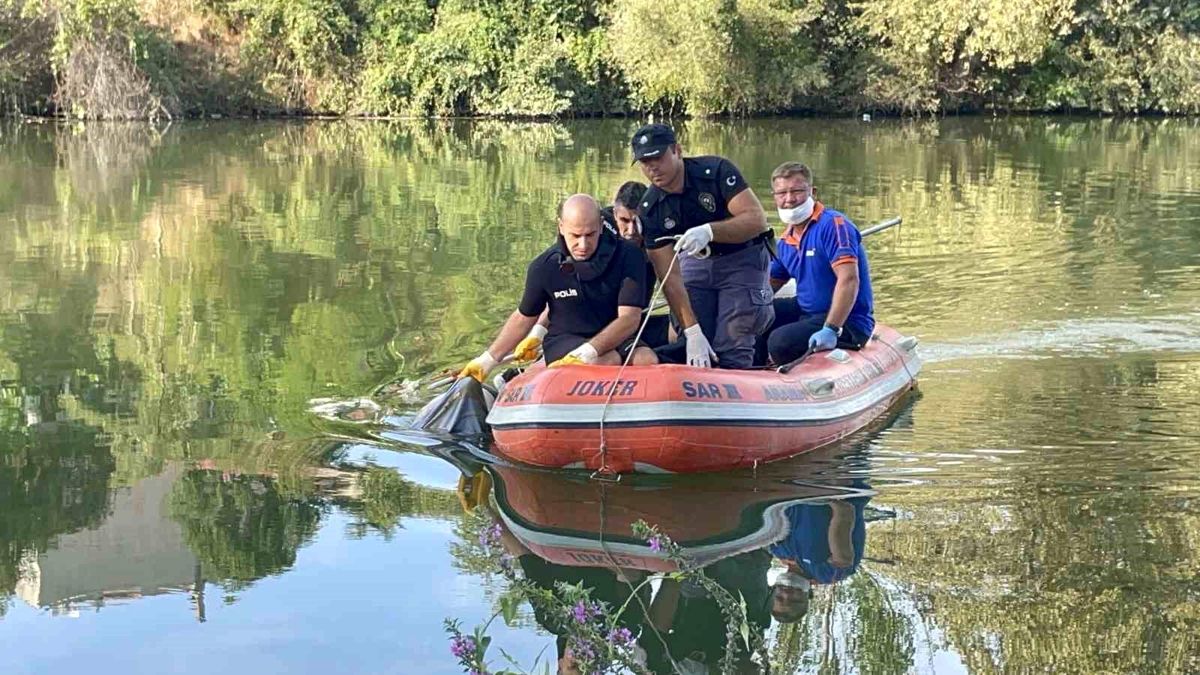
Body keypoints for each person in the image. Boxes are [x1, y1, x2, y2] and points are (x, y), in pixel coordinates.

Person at [457, 194, 657, 383]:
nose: (583, 244)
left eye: (590, 234)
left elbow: (629, 319)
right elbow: (523, 317)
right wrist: (487, 360)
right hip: (565, 338)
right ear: (561, 227)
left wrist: (586, 352)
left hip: (613, 335)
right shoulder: (544, 266)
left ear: (600, 227)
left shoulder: (629, 256)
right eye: (575, 235)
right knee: (609, 361)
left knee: (646, 360)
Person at [632, 123, 774, 370]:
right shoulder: (650, 209)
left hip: (742, 257)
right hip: (695, 262)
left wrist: (711, 231)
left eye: (657, 157)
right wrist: (692, 330)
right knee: (691, 338)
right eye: (644, 162)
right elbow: (669, 275)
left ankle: (740, 382)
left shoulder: (716, 171)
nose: (652, 167)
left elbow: (756, 220)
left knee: (733, 339)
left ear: (677, 150)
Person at [759, 161, 875, 367]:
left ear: (812, 191)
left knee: (780, 342)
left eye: (796, 191)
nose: (789, 199)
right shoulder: (786, 240)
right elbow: (769, 285)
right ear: (774, 196)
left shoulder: (834, 225)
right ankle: (749, 367)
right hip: (809, 312)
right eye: (782, 193)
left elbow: (849, 279)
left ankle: (782, 367)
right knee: (757, 317)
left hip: (848, 321)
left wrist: (831, 328)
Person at [767, 492, 870, 624]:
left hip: (795, 481)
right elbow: (844, 510)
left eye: (779, 597)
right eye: (795, 600)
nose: (786, 594)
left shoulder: (778, 550)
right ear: (807, 596)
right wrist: (819, 494)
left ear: (772, 591)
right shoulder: (830, 573)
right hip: (836, 485)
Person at [603, 180, 676, 350]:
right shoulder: (598, 230)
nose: (631, 231)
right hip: (603, 320)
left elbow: (673, 282)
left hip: (636, 319)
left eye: (638, 222)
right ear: (614, 214)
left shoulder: (659, 232)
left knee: (680, 329)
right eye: (624, 221)